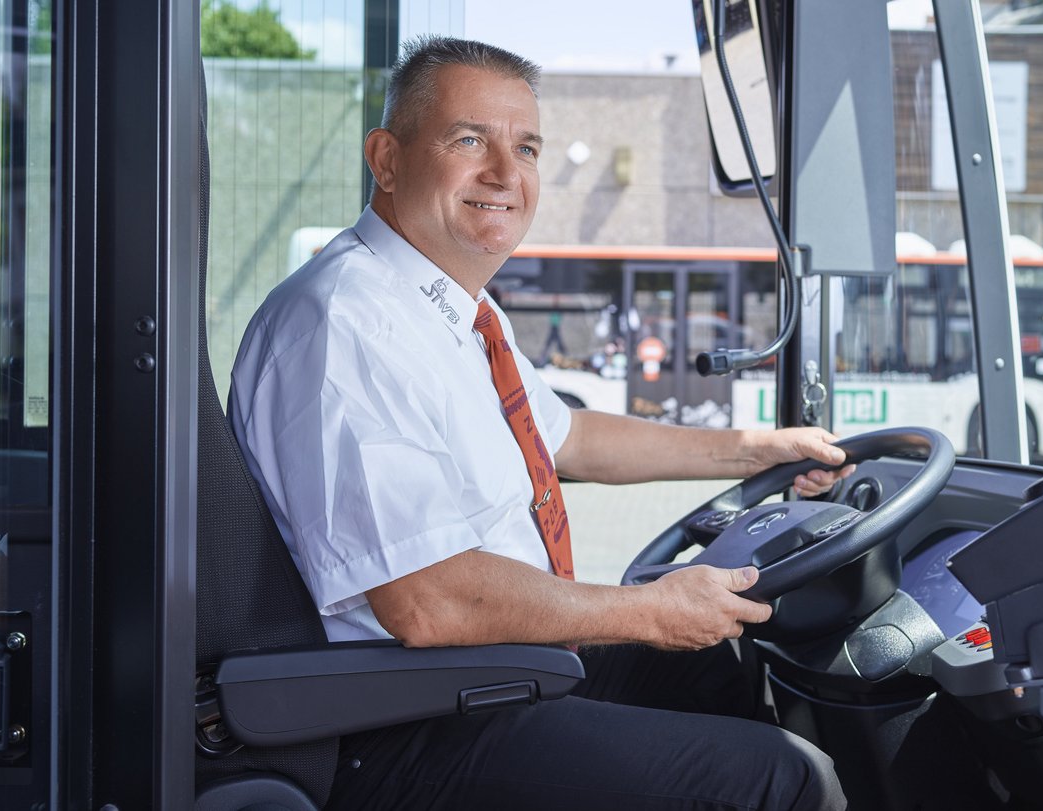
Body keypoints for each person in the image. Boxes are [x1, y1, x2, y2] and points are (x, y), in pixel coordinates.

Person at [229, 35, 852, 810]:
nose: (504, 174)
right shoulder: (343, 323)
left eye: (524, 147)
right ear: (386, 159)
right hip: (397, 723)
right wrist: (650, 609)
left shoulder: (456, 311)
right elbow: (427, 600)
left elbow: (572, 439)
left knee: (707, 668)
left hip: (486, 671)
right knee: (781, 776)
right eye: (469, 140)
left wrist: (759, 449)